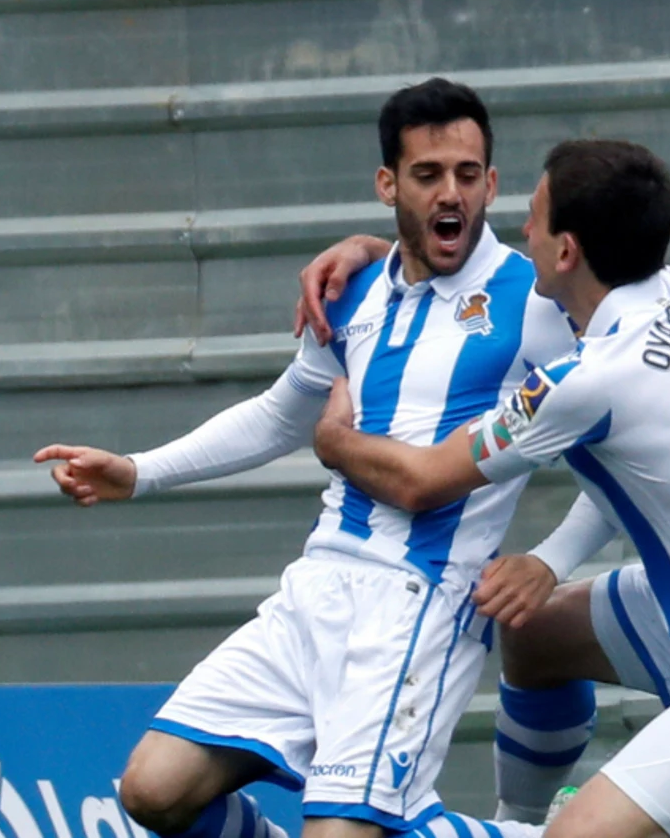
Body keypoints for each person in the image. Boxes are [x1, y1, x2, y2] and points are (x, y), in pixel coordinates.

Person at [35, 78, 582, 838]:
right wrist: (139, 469)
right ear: (388, 184)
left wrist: (552, 559)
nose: (450, 193)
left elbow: (617, 435)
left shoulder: (535, 301)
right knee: (152, 789)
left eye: (466, 173)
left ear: (491, 183)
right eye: (427, 175)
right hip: (317, 589)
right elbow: (281, 412)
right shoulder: (353, 287)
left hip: (418, 605)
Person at [302, 139, 670, 838]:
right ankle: (516, 818)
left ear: (568, 251)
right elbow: (636, 463)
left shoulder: (590, 381)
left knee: (579, 837)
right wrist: (389, 251)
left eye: (536, 217)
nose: (520, 230)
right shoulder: (669, 289)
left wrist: (334, 442)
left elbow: (423, 479)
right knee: (537, 636)